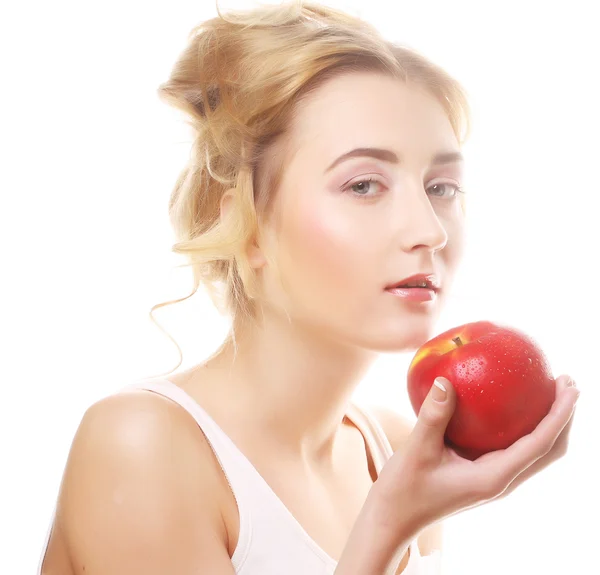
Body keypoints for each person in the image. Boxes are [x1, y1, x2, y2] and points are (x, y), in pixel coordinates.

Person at [37, 2, 580, 574]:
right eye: (365, 184)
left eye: (442, 187)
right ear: (245, 227)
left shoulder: (394, 448)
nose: (430, 230)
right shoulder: (142, 446)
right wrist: (391, 524)